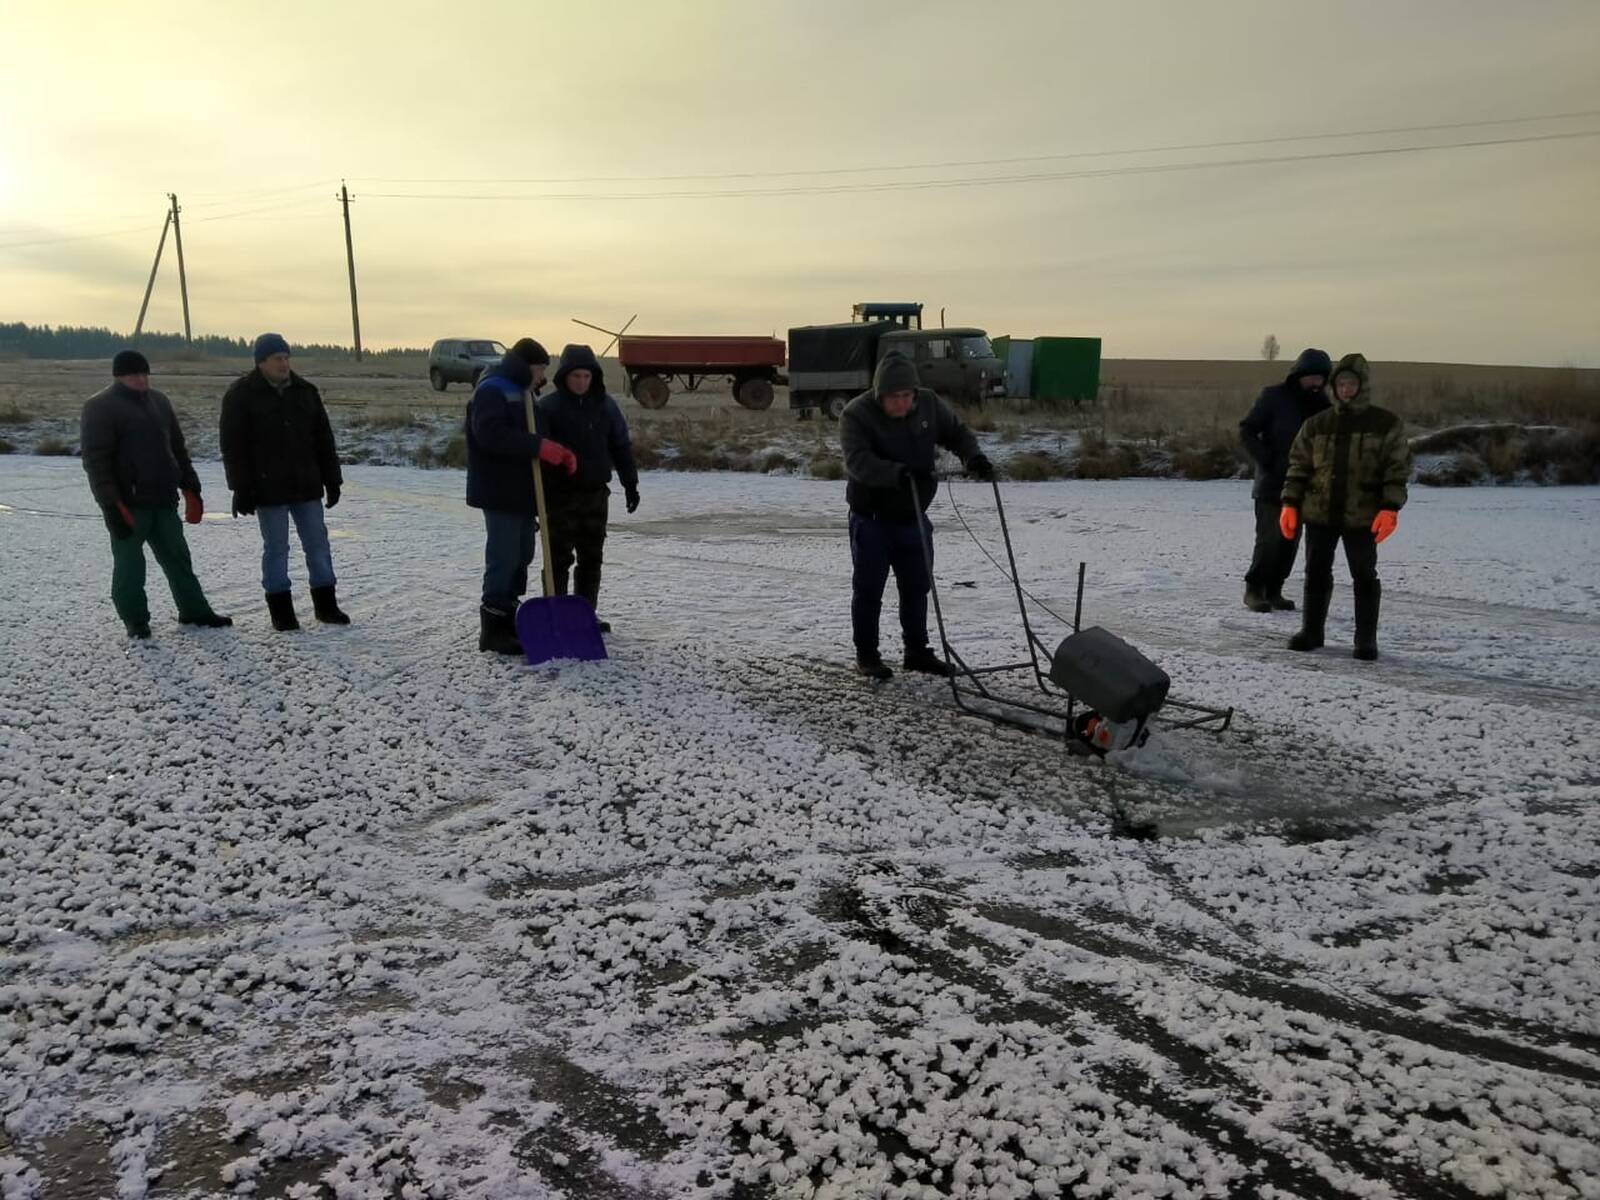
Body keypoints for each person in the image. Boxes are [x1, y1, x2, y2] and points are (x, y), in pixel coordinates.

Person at [839, 352, 993, 680]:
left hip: (914, 515)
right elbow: (858, 461)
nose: (902, 403)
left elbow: (957, 432)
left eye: (907, 396)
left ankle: (917, 651)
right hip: (873, 518)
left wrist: (973, 457)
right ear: (880, 395)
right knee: (869, 590)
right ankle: (867, 655)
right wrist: (896, 473)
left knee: (917, 586)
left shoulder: (929, 404)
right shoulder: (856, 414)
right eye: (894, 398)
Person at [79, 350, 232, 638]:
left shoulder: (159, 401)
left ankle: (194, 611)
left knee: (179, 559)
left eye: (144, 373)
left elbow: (177, 448)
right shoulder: (99, 407)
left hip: (163, 500)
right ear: (119, 376)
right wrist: (111, 505)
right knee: (130, 567)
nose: (140, 379)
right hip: (128, 505)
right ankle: (135, 620)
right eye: (133, 374)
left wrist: (190, 486)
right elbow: (96, 462)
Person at [1279, 353, 1411, 661]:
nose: (1346, 389)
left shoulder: (1385, 424)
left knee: (1364, 575)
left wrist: (1390, 507)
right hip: (1320, 513)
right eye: (1341, 383)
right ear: (1333, 386)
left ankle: (1365, 640)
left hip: (1363, 516)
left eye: (1351, 383)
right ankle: (1311, 632)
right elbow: (1298, 466)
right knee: (1315, 572)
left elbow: (1397, 469)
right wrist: (1289, 502)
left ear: (1362, 385)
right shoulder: (1317, 424)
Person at [219, 333, 349, 631]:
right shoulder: (241, 394)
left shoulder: (305, 391)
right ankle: (282, 612)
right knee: (277, 547)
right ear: (261, 362)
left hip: (306, 484)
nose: (284, 363)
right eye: (277, 358)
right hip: (267, 489)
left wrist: (333, 480)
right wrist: (240, 488)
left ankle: (326, 606)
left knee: (318, 544)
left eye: (286, 357)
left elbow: (324, 440)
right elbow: (232, 447)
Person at [466, 338, 578, 653]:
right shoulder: (493, 390)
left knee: (523, 554)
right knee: (504, 556)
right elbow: (489, 434)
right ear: (525, 366)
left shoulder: (526, 392)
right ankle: (493, 630)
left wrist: (557, 453)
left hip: (524, 491)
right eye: (540, 368)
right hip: (500, 489)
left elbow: (536, 435)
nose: (543, 376)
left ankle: (508, 618)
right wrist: (538, 446)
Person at [536, 344, 639, 633]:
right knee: (557, 559)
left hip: (595, 495)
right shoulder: (548, 408)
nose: (581, 382)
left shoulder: (606, 406)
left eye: (586, 376)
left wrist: (630, 483)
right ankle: (555, 614)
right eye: (575, 376)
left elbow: (620, 446)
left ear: (594, 376)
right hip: (560, 498)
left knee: (591, 558)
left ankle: (584, 615)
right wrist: (537, 501)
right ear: (564, 377)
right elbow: (538, 458)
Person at [1238, 347, 1331, 612]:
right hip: (1272, 482)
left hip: (1305, 485)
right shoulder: (1273, 397)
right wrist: (1264, 458)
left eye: (1320, 378)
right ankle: (1254, 589)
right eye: (1311, 377)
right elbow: (1246, 429)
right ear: (1299, 375)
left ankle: (1275, 589)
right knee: (1270, 539)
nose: (1315, 383)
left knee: (1290, 540)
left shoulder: (1323, 407)